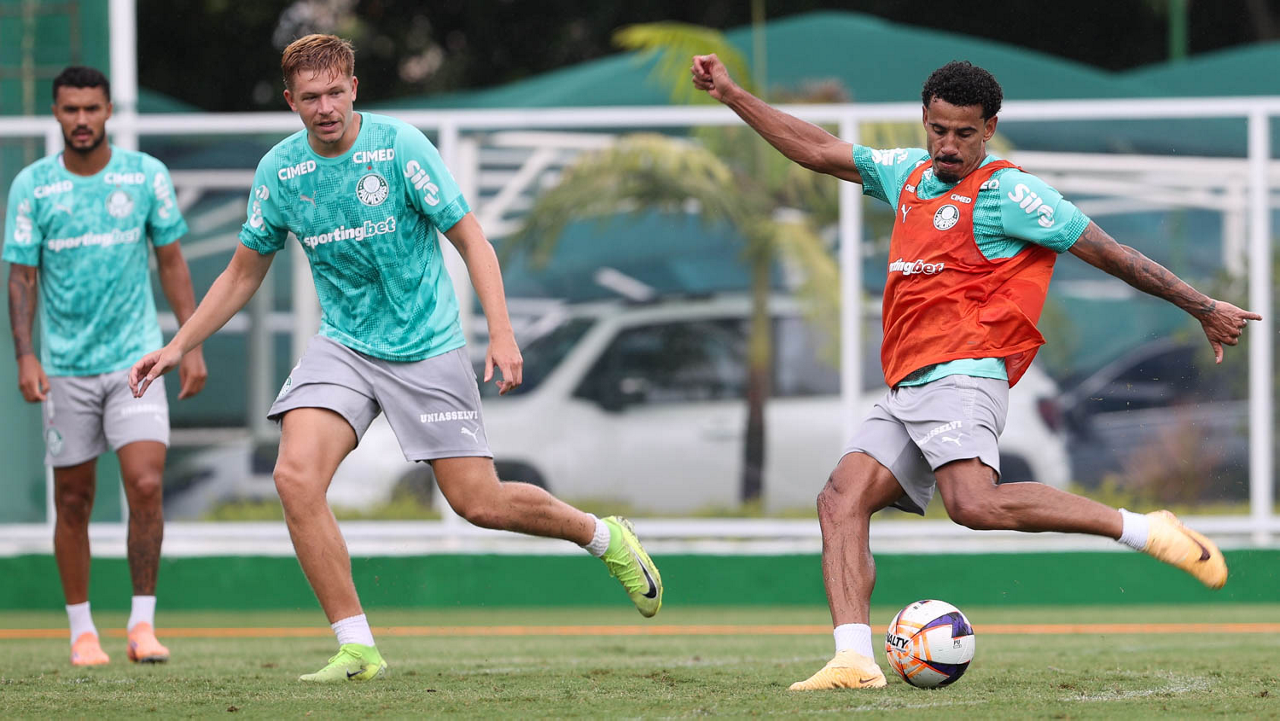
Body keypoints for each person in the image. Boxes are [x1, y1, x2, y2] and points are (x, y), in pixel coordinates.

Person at [691, 55, 1260, 690]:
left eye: (964, 133)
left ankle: (1143, 530)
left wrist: (1202, 306)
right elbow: (820, 150)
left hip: (964, 372)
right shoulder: (908, 172)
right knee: (840, 500)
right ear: (925, 122)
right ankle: (853, 659)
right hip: (909, 383)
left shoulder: (1009, 191)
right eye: (938, 129)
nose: (949, 145)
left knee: (975, 504)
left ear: (989, 129)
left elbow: (1110, 252)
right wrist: (734, 95)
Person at [128, 34, 664, 683]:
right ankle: (357, 646)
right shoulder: (280, 173)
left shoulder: (399, 148)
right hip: (345, 346)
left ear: (353, 89)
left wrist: (501, 331)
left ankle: (602, 536)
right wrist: (179, 344)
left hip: (427, 345)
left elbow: (472, 238)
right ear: (292, 102)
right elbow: (242, 274)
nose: (324, 107)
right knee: (295, 477)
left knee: (478, 502)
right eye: (310, 98)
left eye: (334, 93)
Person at [4, 66, 207, 667]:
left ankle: (142, 626)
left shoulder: (146, 176)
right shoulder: (33, 186)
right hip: (65, 368)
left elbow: (172, 261)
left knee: (145, 484)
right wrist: (25, 355)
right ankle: (81, 632)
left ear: (110, 110)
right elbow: (21, 276)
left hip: (135, 362)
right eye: (71, 110)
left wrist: (189, 342)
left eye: (92, 108)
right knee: (73, 500)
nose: (82, 120)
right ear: (56, 113)